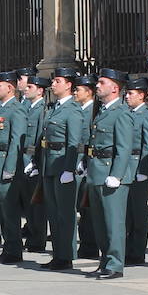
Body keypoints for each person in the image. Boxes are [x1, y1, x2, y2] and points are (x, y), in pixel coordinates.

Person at [83, 69, 135, 279]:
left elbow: (124, 148)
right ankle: (105, 260)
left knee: (113, 222)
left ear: (115, 88)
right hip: (97, 171)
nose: (97, 86)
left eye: (102, 83)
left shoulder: (122, 113)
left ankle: (115, 264)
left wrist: (117, 174)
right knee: (100, 222)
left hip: (111, 174)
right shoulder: (102, 111)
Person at [40, 68, 86, 270]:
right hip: (49, 164)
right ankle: (58, 253)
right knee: (53, 212)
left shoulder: (73, 110)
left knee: (65, 214)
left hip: (63, 167)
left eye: (58, 81)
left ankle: (66, 255)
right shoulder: (54, 108)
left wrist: (69, 169)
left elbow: (74, 143)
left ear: (68, 85)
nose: (53, 84)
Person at [0, 71, 27, 264]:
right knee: (1, 210)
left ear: (9, 88)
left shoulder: (15, 110)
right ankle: (7, 247)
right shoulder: (1, 109)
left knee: (9, 211)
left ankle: (14, 249)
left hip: (5, 167)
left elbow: (16, 142)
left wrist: (10, 168)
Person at [123, 76, 148, 266]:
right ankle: (128, 248)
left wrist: (144, 169)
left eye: (131, 93)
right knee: (127, 212)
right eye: (126, 93)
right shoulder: (127, 113)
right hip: (126, 166)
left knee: (138, 211)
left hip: (138, 166)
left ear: (142, 96)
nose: (127, 97)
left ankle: (137, 251)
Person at [20, 73, 49, 253]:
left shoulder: (42, 110)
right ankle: (31, 235)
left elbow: (39, 139)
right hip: (23, 160)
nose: (26, 89)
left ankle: (38, 240)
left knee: (37, 205)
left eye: (30, 87)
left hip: (32, 161)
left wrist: (35, 162)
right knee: (28, 204)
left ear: (40, 91)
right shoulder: (27, 108)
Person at [72, 75, 99, 260]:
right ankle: (84, 243)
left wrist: (87, 162)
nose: (75, 92)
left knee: (88, 208)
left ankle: (90, 245)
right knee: (78, 206)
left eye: (78, 90)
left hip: (87, 161)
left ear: (88, 93)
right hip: (75, 161)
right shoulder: (76, 110)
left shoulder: (93, 112)